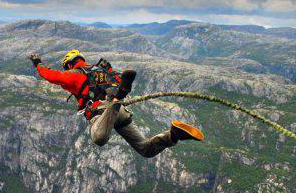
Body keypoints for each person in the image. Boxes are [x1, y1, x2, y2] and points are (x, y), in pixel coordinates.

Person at [28, 49, 204, 158]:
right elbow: (121, 77)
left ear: (69, 64)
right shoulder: (104, 70)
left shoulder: (74, 74)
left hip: (103, 112)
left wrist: (37, 63)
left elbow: (50, 75)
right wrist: (113, 79)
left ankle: (116, 100)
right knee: (146, 150)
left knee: (99, 138)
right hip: (122, 114)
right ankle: (173, 135)